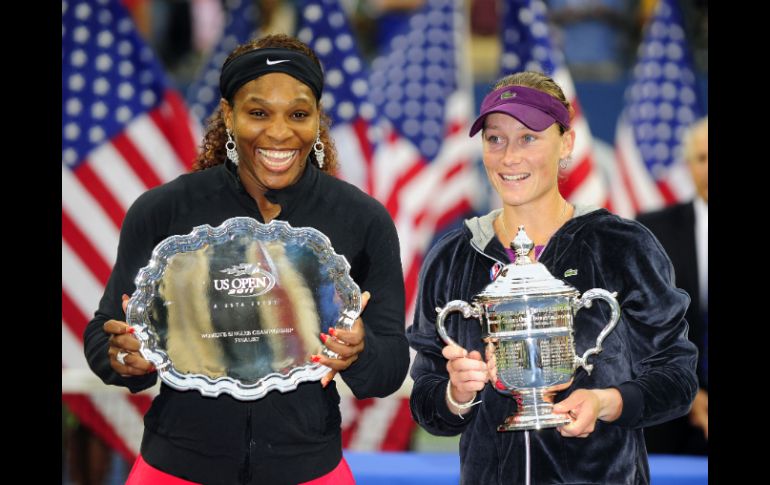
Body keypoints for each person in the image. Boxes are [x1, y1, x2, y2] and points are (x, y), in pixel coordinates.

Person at [83, 34, 410, 485]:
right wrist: (125, 357)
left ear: (317, 119)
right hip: (175, 467)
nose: (279, 132)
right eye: (258, 112)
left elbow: (390, 368)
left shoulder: (362, 219)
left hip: (308, 469)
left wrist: (360, 352)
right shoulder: (163, 211)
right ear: (228, 115)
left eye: (298, 113)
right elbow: (104, 336)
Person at [406, 71, 698, 484]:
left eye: (529, 137)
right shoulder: (453, 256)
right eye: (495, 139)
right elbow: (426, 400)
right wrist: (455, 395)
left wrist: (608, 401)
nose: (509, 157)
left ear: (566, 144)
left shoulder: (621, 245)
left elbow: (677, 377)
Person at [637, 116, 708, 455]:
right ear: (689, 165)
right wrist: (690, 393)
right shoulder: (652, 230)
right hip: (666, 411)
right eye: (703, 158)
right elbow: (640, 323)